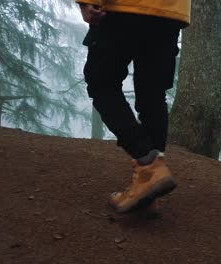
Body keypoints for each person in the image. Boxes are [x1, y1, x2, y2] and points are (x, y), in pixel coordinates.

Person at [75, 0, 191, 213]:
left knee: (101, 84)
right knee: (153, 95)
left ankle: (149, 167)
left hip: (125, 8)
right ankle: (149, 192)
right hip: (171, 13)